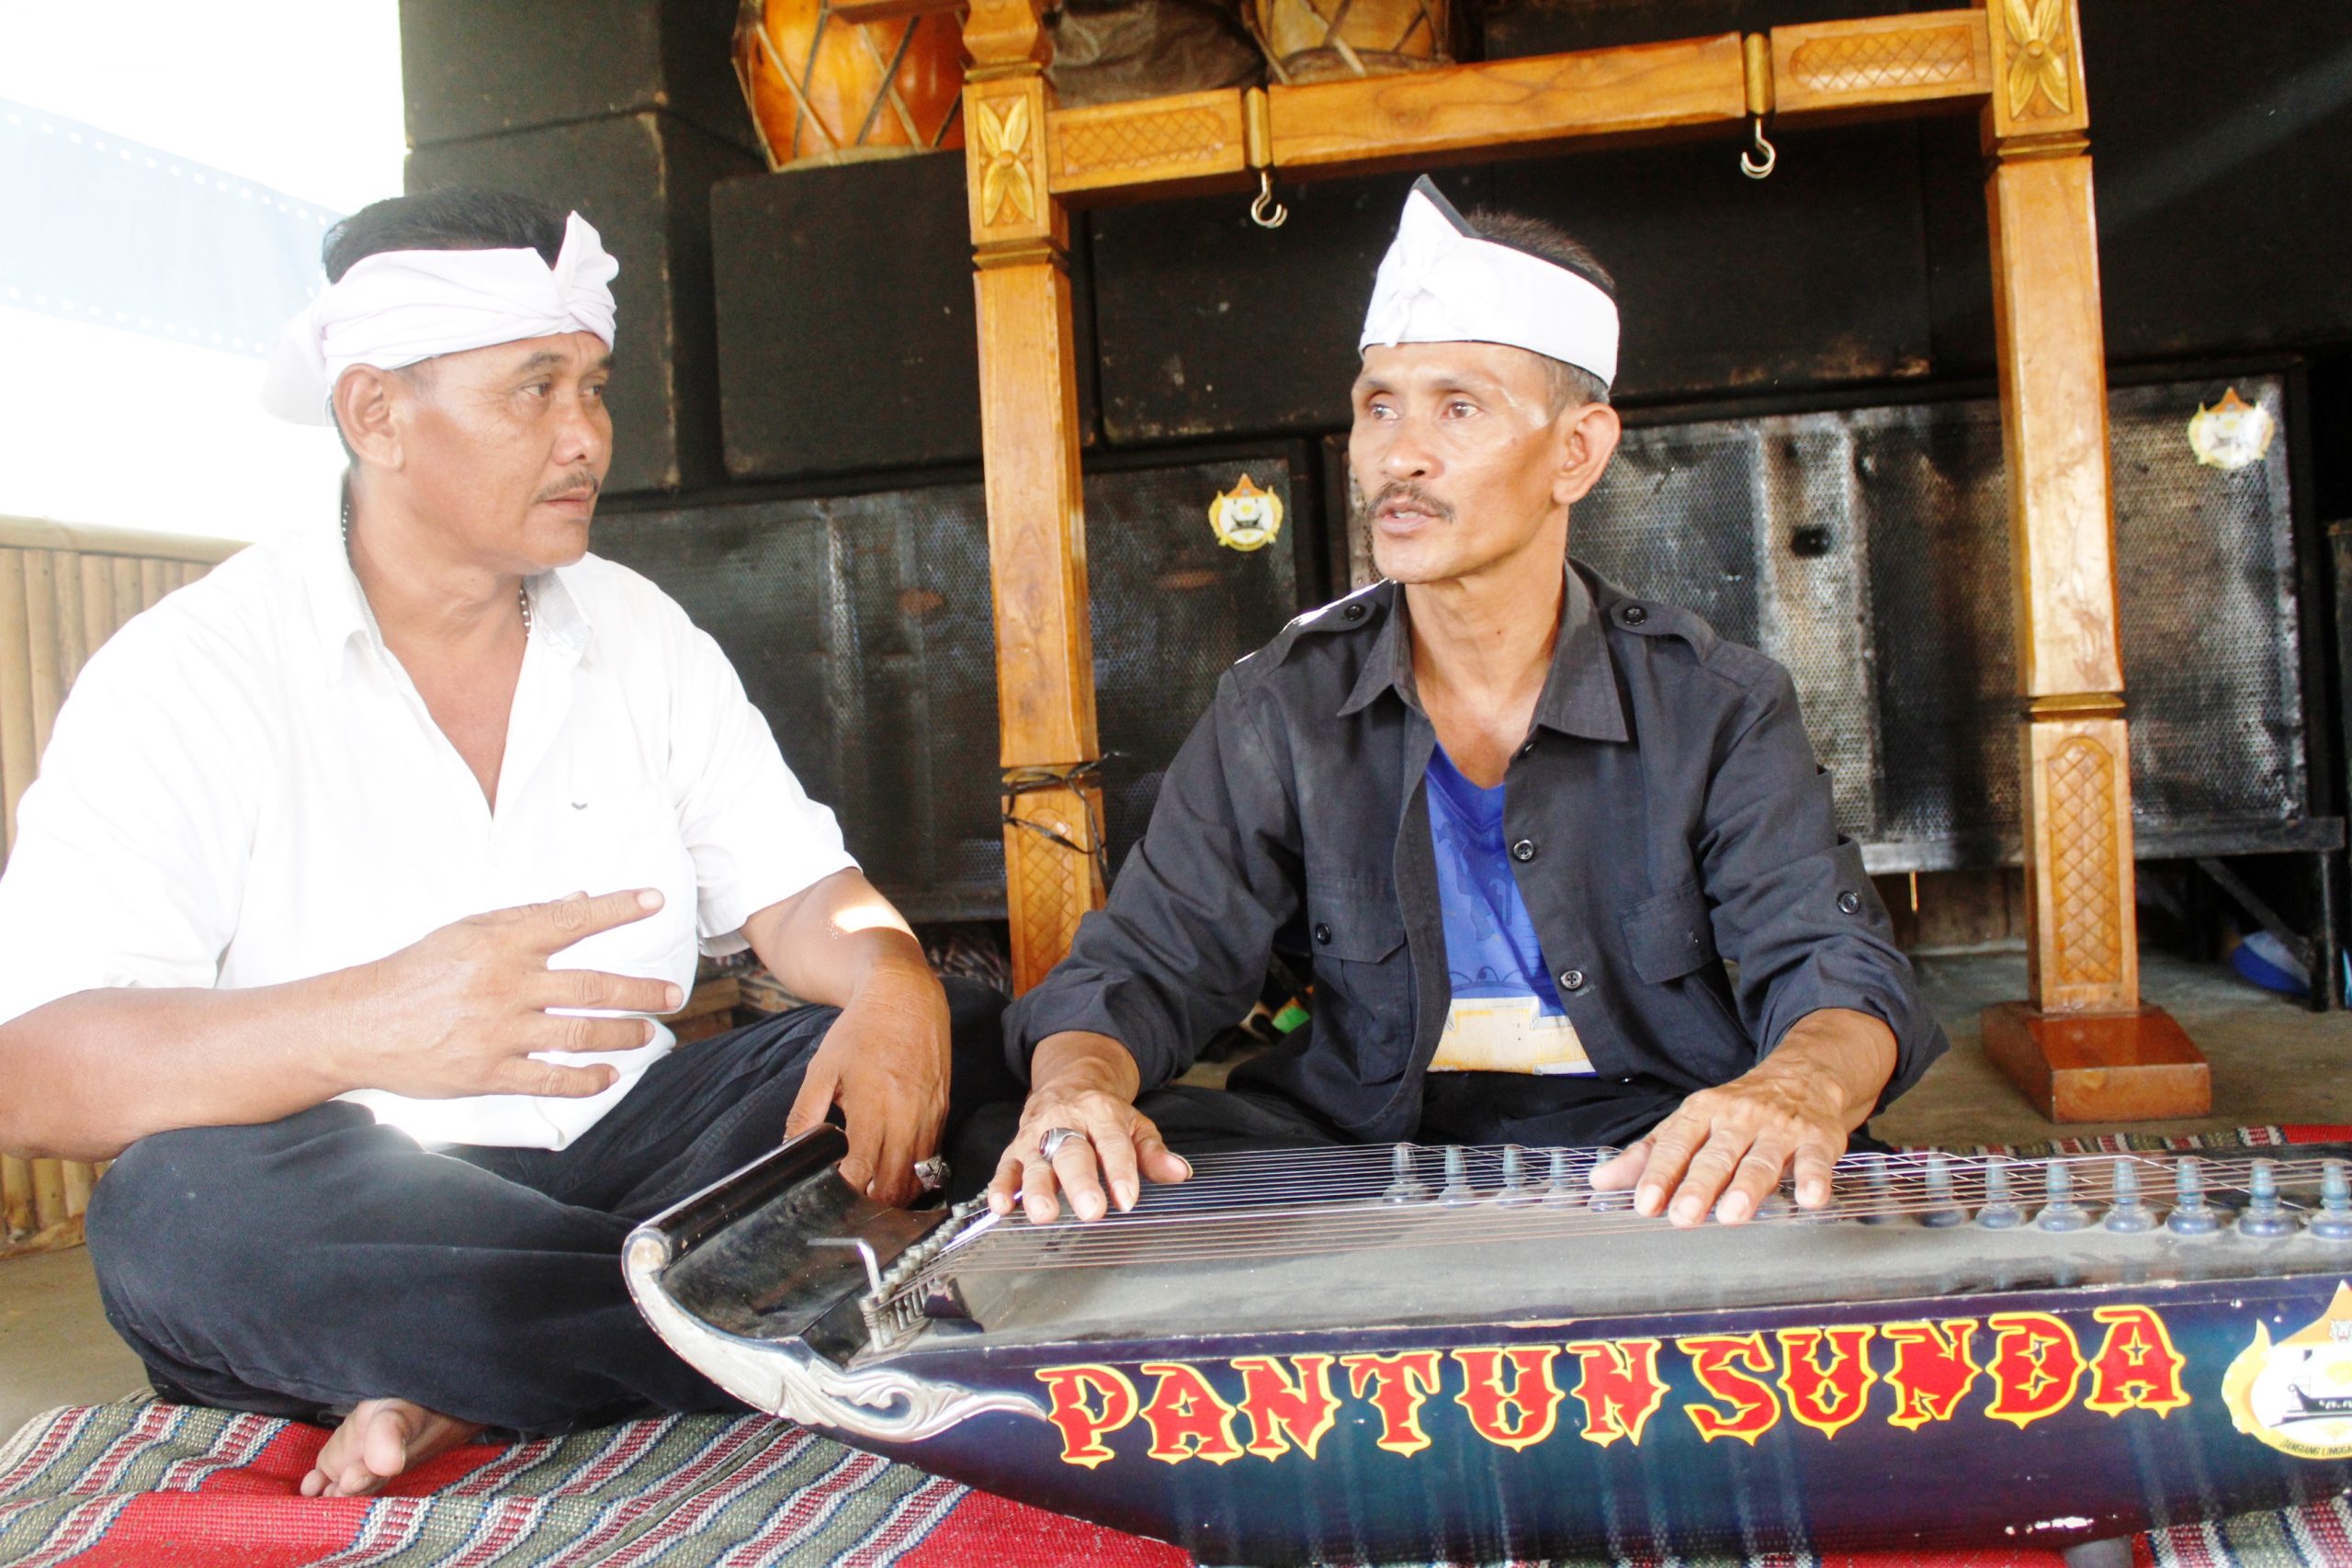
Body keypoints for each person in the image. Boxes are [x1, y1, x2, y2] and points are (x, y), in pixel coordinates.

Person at [0, 188, 1013, 1497]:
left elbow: (807, 893)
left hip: (639, 1150)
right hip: (363, 1196)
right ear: (374, 413)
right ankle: (761, 1310)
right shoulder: (192, 670)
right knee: (172, 1221)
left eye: (591, 387)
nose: (586, 437)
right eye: (532, 392)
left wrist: (888, 982)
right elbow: (33, 1068)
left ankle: (475, 1369)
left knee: (976, 1037)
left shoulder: (637, 627)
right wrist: (373, 1020)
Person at [980, 177, 1947, 1234]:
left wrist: (1794, 1090)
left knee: (1817, 1197)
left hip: (1640, 1140)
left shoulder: (1711, 703)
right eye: (1378, 406)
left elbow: (1831, 962)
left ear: (1575, 451)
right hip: (1362, 1139)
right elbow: (1145, 966)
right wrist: (1075, 1090)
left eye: (1458, 406)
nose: (1400, 454)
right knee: (1031, 1147)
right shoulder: (1282, 704)